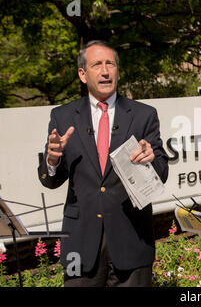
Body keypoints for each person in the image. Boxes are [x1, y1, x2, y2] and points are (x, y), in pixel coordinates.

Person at [38, 40, 169, 287]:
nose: (105, 71)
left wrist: (152, 160)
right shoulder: (62, 116)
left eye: (110, 64)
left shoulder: (144, 115)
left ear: (118, 70)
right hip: (81, 243)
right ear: (82, 74)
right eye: (97, 65)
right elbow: (51, 179)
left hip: (132, 240)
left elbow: (161, 172)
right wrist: (52, 160)